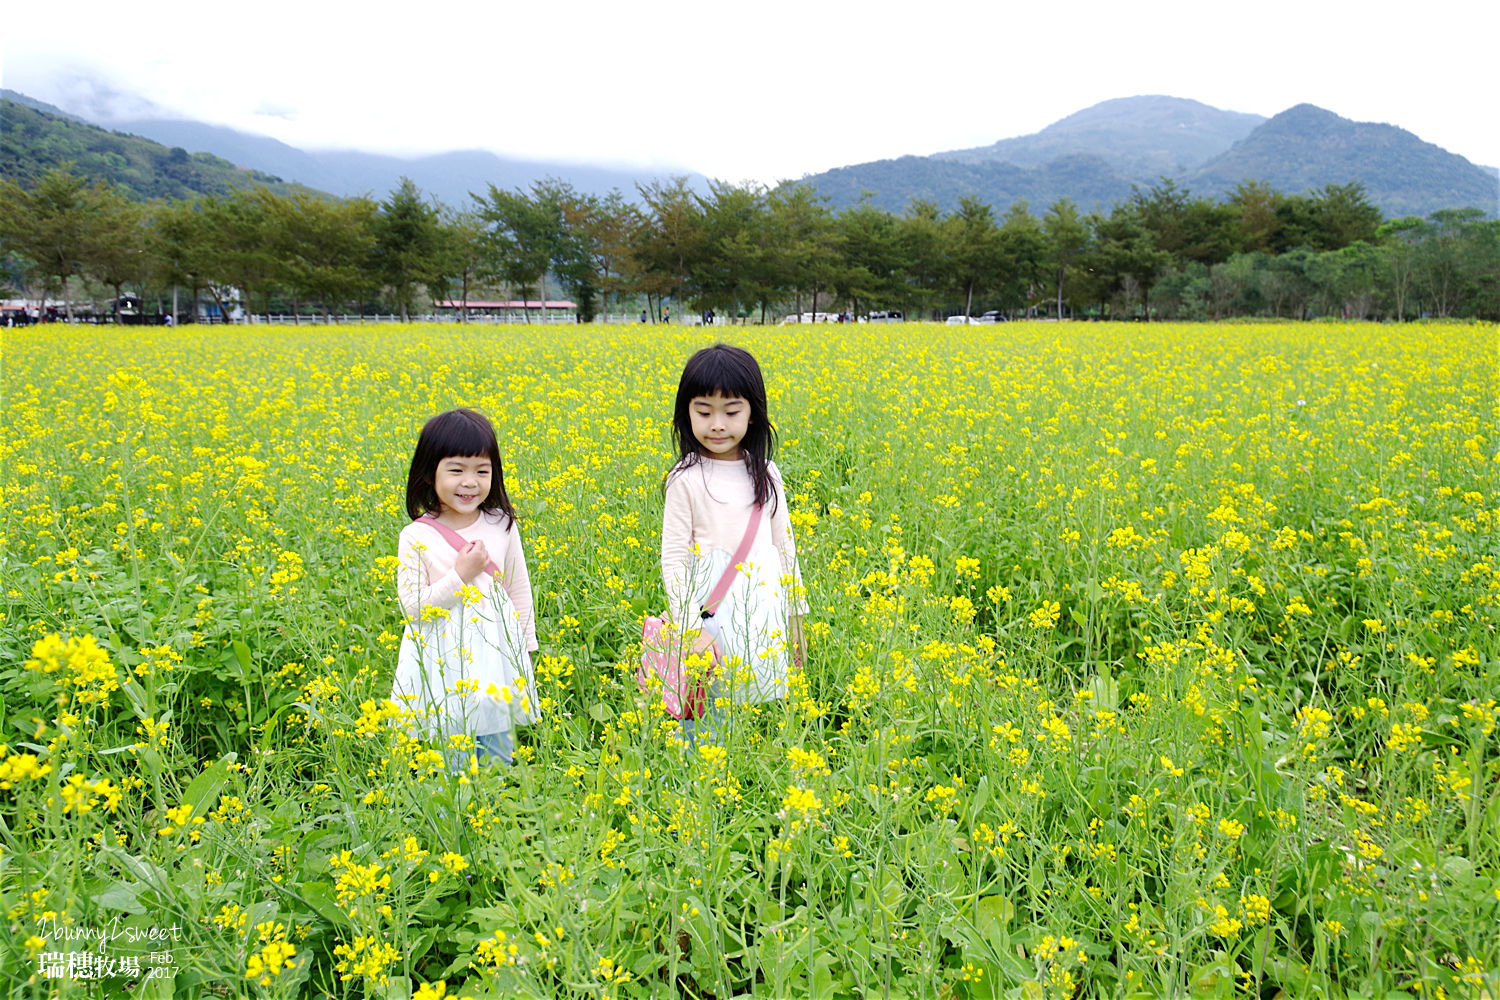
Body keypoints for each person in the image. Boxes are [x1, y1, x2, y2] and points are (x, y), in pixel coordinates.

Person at [660, 345, 807, 742]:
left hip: (761, 609)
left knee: (760, 710)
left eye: (732, 411)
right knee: (707, 714)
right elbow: (673, 560)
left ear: (753, 413)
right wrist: (690, 629)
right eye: (704, 412)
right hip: (710, 617)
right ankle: (703, 788)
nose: (717, 425)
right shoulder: (685, 478)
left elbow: (784, 548)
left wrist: (795, 621)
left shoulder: (767, 473)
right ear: (685, 413)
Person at [391, 408, 538, 770]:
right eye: (456, 470)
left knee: (497, 753)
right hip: (443, 661)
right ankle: (455, 820)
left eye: (482, 471)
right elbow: (412, 608)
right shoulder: (415, 536)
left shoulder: (502, 524)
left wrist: (526, 650)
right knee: (451, 757)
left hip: (496, 654)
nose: (470, 482)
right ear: (429, 473)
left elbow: (517, 588)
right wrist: (461, 575)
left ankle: (494, 817)